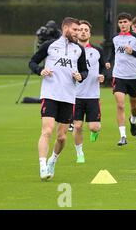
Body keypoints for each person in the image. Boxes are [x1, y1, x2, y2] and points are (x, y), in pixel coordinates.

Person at [29, 17, 88, 180]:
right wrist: (40, 70)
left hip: (68, 97)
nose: (78, 33)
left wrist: (80, 76)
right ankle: (42, 168)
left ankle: (52, 161)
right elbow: (33, 62)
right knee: (47, 130)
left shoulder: (79, 50)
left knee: (61, 137)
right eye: (75, 30)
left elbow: (84, 71)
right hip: (50, 94)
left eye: (79, 30)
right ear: (66, 28)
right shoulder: (50, 46)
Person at [105, 12, 136, 146]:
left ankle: (133, 119)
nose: (123, 24)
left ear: (130, 23)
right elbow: (113, 51)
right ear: (118, 24)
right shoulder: (115, 38)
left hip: (133, 76)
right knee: (120, 104)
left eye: (125, 22)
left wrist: (133, 52)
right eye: (120, 22)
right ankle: (123, 136)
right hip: (118, 76)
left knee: (134, 105)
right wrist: (108, 61)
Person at [72, 20, 105, 163]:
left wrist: (103, 75)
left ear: (90, 33)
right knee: (77, 126)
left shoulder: (97, 51)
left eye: (86, 29)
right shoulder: (71, 50)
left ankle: (94, 132)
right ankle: (80, 153)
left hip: (92, 95)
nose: (83, 31)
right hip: (75, 95)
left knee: (94, 127)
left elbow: (104, 67)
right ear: (76, 33)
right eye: (80, 29)